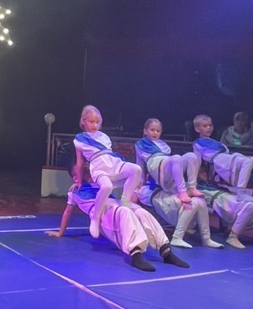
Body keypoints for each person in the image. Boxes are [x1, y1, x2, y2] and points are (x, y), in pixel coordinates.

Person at [46, 168, 189, 271]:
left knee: (141, 212)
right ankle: (136, 255)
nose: (88, 172)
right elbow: (67, 212)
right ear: (75, 177)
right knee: (124, 212)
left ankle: (166, 251)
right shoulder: (74, 192)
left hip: (114, 203)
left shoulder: (101, 181)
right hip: (101, 213)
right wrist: (60, 232)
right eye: (83, 172)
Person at [73, 105, 142, 239]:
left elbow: (110, 154)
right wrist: (79, 181)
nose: (95, 125)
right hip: (98, 167)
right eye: (91, 121)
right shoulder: (79, 139)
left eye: (97, 122)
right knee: (106, 187)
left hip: (113, 164)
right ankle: (95, 217)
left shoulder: (104, 137)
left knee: (136, 169)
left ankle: (125, 201)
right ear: (83, 121)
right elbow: (79, 163)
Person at [196, 171, 253, 249]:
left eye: (204, 172)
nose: (204, 175)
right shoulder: (198, 188)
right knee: (251, 206)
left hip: (232, 196)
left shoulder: (213, 185)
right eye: (201, 173)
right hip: (221, 201)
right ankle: (233, 237)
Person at [192, 114, 253, 201]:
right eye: (205, 126)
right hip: (220, 159)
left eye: (210, 125)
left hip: (228, 156)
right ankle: (241, 193)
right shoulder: (197, 143)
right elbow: (196, 161)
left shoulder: (216, 142)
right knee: (247, 162)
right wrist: (194, 181)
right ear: (197, 129)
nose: (209, 128)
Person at [135, 118, 204, 205]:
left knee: (191, 156)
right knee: (176, 158)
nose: (155, 133)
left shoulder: (163, 145)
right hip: (155, 164)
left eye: (158, 131)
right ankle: (182, 191)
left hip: (166, 162)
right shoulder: (141, 144)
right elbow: (140, 163)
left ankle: (192, 187)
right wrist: (140, 179)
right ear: (145, 131)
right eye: (152, 130)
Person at [134, 182, 224, 249]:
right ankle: (176, 237)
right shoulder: (138, 190)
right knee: (192, 204)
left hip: (171, 198)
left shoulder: (154, 181)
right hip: (163, 204)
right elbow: (132, 204)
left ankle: (206, 239)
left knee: (200, 200)